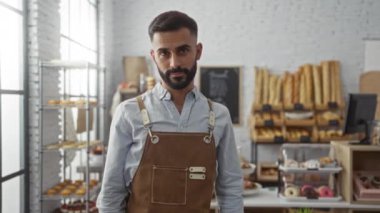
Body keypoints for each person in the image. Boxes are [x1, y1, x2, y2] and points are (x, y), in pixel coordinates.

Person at [97, 10, 244, 213]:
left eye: (183, 50)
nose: (174, 63)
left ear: (198, 51)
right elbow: (111, 192)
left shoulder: (219, 116)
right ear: (153, 56)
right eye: (164, 53)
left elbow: (231, 190)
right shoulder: (128, 113)